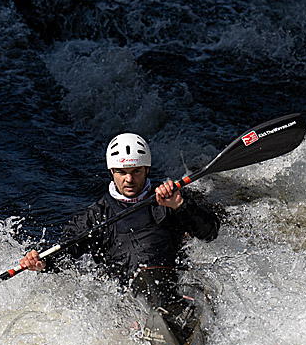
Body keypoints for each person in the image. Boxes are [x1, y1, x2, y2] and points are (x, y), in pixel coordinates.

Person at [19, 132, 220, 330]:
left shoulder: (170, 201)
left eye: (136, 171)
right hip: (128, 303)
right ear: (112, 172)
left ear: (147, 170)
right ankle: (151, 321)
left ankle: (172, 321)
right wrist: (41, 262)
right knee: (141, 289)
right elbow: (65, 253)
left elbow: (210, 232)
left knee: (157, 283)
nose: (129, 179)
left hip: (173, 290)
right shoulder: (95, 216)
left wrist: (181, 205)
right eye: (122, 172)